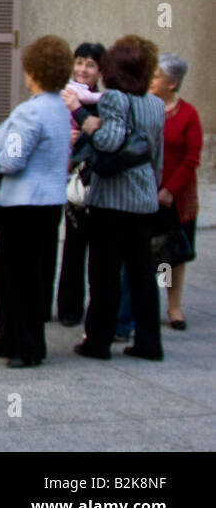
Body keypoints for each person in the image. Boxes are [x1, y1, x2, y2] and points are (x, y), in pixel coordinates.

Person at [0, 36, 73, 368]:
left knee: (14, 274)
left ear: (33, 72)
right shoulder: (59, 108)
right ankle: (13, 337)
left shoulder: (31, 111)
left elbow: (12, 160)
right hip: (49, 202)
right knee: (32, 273)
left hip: (23, 204)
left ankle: (24, 344)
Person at [73, 35, 165, 362]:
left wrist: (82, 117)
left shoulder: (113, 99)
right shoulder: (155, 104)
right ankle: (149, 343)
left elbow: (110, 141)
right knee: (142, 276)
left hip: (111, 201)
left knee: (104, 274)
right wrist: (153, 187)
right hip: (142, 201)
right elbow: (156, 153)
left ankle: (98, 342)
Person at [150, 53, 202, 331]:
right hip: (146, 193)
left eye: (156, 76)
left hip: (176, 196)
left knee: (172, 255)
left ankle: (173, 305)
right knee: (147, 251)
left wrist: (170, 188)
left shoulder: (188, 114)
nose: (151, 80)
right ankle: (145, 303)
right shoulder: (146, 108)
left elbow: (191, 158)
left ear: (172, 82)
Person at [56, 41, 104, 326]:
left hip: (90, 180)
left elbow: (103, 134)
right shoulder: (64, 94)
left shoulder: (103, 101)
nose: (83, 69)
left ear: (100, 71)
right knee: (71, 246)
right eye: (80, 62)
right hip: (63, 175)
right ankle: (68, 308)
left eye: (90, 64)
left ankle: (87, 307)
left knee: (91, 245)